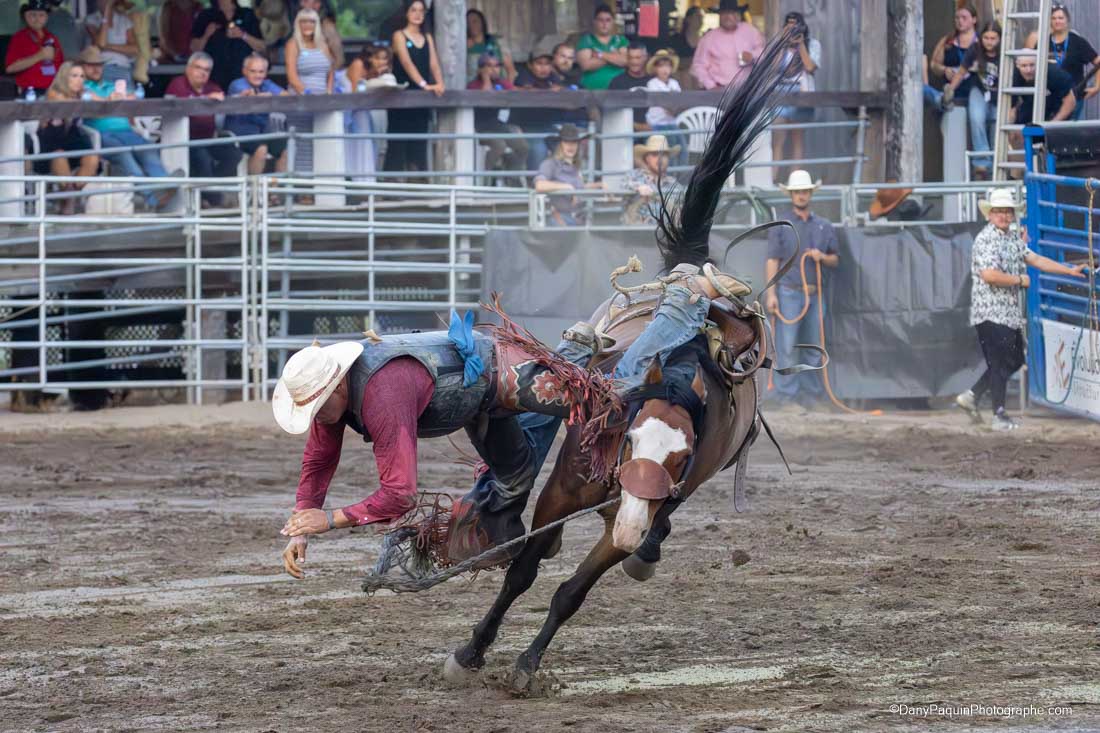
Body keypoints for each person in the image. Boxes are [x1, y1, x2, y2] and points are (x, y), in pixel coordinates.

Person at [275, 278, 742, 579]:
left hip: (502, 378)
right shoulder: (338, 401)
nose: (317, 420)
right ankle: (574, 350)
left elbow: (398, 492)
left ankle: (684, 299)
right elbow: (319, 460)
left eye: (317, 407)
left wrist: (330, 519)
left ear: (336, 386)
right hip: (476, 405)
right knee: (511, 476)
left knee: (613, 392)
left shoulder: (382, 394)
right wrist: (302, 522)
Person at [956, 188, 1087, 431]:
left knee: (1014, 359)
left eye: (1008, 212)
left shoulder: (1011, 239)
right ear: (990, 214)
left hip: (1006, 314)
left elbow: (1035, 259)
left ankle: (973, 396)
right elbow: (989, 275)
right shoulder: (986, 240)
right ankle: (998, 413)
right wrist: (1019, 280)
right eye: (1000, 211)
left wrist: (1068, 270)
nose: (1004, 216)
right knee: (1001, 361)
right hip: (990, 312)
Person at [764, 169, 839, 407]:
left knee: (813, 347)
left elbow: (835, 259)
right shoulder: (781, 226)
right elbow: (772, 260)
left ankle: (811, 395)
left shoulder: (824, 226)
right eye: (797, 192)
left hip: (815, 295)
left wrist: (821, 257)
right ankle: (787, 396)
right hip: (788, 292)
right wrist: (771, 294)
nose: (801, 195)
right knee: (786, 347)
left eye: (804, 191)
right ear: (791, 195)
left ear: (810, 194)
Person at [81, 46, 177, 211]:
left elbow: (133, 96)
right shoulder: (82, 86)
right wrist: (110, 99)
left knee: (147, 147)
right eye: (91, 65)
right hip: (101, 134)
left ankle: (164, 184)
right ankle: (152, 197)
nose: (96, 68)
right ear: (82, 66)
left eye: (99, 65)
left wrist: (121, 96)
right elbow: (90, 98)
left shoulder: (111, 85)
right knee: (124, 153)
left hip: (126, 131)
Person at [166, 52, 243, 204]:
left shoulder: (212, 87)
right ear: (188, 69)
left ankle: (207, 191)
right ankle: (214, 199)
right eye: (198, 68)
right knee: (202, 157)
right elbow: (178, 107)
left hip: (209, 138)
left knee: (234, 154)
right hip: (183, 140)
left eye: (207, 70)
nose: (202, 73)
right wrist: (206, 100)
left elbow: (224, 107)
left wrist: (237, 98)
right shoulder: (178, 83)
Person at [384, 0, 445, 175]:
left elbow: (434, 63)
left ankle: (418, 181)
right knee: (398, 141)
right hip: (402, 96)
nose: (417, 14)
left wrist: (439, 83)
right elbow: (406, 63)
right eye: (413, 10)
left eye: (421, 11)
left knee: (419, 139)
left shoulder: (428, 38)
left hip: (421, 99)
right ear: (406, 13)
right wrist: (424, 85)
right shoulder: (399, 35)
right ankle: (391, 183)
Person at [39, 62, 100, 215]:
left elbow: (103, 101)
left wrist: (114, 96)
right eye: (74, 76)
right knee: (60, 156)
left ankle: (68, 196)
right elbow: (63, 103)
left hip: (74, 140)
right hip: (52, 140)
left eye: (82, 76)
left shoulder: (84, 93)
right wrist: (86, 99)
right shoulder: (54, 92)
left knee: (93, 158)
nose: (79, 80)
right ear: (64, 78)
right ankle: (69, 200)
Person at [944, 21, 1001, 179]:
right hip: (979, 89)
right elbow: (961, 72)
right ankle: (982, 161)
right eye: (986, 38)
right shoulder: (975, 49)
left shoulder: (1004, 52)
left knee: (997, 123)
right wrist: (950, 89)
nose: (989, 42)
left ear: (1000, 39)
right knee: (976, 117)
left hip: (1000, 92)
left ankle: (997, 160)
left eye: (993, 38)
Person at [285, 8, 334, 175]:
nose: (308, 25)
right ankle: (301, 188)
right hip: (301, 100)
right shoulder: (293, 44)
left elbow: (330, 71)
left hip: (322, 102)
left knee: (320, 142)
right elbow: (292, 76)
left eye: (311, 21)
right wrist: (307, 94)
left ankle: (319, 185)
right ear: (298, 24)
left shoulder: (323, 45)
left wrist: (328, 91)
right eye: (304, 21)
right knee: (302, 143)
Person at [772, 12, 821, 181]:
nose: (792, 28)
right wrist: (783, 44)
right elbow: (774, 67)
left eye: (796, 25)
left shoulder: (813, 44)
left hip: (801, 93)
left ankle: (795, 181)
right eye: (789, 25)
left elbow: (810, 67)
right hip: (781, 94)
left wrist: (800, 45)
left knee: (797, 139)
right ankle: (773, 179)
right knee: (777, 138)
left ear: (803, 27)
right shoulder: (780, 45)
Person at [466, 53, 527, 185]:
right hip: (479, 127)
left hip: (497, 124)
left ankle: (512, 177)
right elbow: (484, 96)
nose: (494, 69)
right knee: (499, 145)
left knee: (522, 146)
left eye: (497, 66)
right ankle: (487, 179)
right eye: (489, 66)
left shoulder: (501, 82)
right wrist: (486, 78)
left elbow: (513, 93)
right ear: (481, 69)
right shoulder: (473, 85)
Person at [226, 53, 289, 175]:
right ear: (244, 71)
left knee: (285, 149)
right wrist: (267, 96)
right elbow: (249, 96)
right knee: (261, 149)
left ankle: (274, 191)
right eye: (253, 71)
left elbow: (286, 96)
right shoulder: (237, 83)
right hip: (239, 133)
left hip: (261, 132)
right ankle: (255, 190)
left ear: (265, 73)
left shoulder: (267, 84)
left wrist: (272, 95)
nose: (257, 75)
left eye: (261, 72)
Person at [344, 44, 397, 180]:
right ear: (369, 58)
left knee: (368, 138)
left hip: (364, 109)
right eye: (377, 58)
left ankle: (366, 175)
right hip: (349, 107)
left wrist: (381, 76)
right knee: (355, 138)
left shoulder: (380, 72)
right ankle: (353, 175)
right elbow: (357, 92)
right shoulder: (358, 64)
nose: (381, 62)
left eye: (385, 59)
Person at [534, 123, 604, 226]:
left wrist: (598, 185)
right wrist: (566, 187)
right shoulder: (550, 164)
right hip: (560, 220)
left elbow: (578, 187)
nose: (571, 146)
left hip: (580, 219)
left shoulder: (575, 167)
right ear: (560, 144)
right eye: (566, 142)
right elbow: (539, 185)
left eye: (574, 142)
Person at [190, 0, 265, 91]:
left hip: (242, 80)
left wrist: (243, 35)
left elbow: (261, 47)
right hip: (213, 79)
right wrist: (206, 35)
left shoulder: (247, 14)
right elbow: (194, 49)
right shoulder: (206, 15)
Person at [691, 0, 764, 90]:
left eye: (732, 13)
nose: (728, 17)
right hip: (719, 90)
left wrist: (753, 55)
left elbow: (765, 53)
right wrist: (711, 85)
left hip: (748, 90)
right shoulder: (709, 38)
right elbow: (698, 66)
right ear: (719, 15)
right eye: (724, 13)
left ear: (738, 15)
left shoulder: (751, 32)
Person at [1046, 4, 1099, 120]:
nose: (1057, 21)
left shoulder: (1077, 41)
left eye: (1060, 18)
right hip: (1050, 99)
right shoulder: (1044, 42)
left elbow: (1098, 62)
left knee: (1072, 135)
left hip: (1074, 97)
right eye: (1053, 18)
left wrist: (1097, 87)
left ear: (1067, 20)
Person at [6, 0, 64, 97]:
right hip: (31, 92)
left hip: (54, 91)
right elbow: (10, 68)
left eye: (41, 15)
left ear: (46, 18)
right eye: (33, 15)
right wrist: (39, 56)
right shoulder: (19, 38)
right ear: (26, 17)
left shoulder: (52, 38)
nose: (37, 19)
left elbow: (62, 68)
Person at [622, 134, 678, 225]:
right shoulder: (633, 176)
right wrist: (638, 187)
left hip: (665, 235)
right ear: (647, 158)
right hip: (635, 235)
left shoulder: (674, 184)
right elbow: (622, 187)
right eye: (655, 154)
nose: (660, 158)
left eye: (663, 155)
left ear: (668, 159)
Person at [643, 50, 686, 169]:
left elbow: (679, 101)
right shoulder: (652, 83)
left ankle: (680, 178)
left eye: (667, 65)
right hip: (657, 124)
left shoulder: (674, 83)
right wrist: (672, 106)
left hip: (672, 122)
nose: (664, 69)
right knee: (663, 153)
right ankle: (667, 177)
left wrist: (674, 108)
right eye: (661, 66)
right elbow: (662, 101)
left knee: (682, 151)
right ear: (655, 68)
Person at [84, 0, 138, 86]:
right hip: (102, 68)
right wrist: (106, 14)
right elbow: (100, 43)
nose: (104, 2)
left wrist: (107, 46)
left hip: (123, 67)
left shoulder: (124, 20)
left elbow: (134, 49)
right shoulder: (91, 19)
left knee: (128, 96)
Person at [1011, 54, 1076, 125]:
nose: (1028, 70)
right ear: (1017, 66)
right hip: (1031, 106)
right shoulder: (1013, 76)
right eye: (1024, 66)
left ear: (1038, 64)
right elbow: (1011, 108)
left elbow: (1070, 102)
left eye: (1032, 65)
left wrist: (1052, 125)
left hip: (1057, 108)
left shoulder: (1054, 74)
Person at [576, 4, 629, 90]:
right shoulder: (586, 40)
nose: (604, 24)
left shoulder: (620, 40)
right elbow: (586, 65)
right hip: (591, 91)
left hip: (618, 91)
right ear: (595, 22)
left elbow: (625, 61)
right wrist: (614, 56)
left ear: (613, 22)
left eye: (608, 20)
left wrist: (601, 54)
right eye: (601, 20)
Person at [930, 4, 978, 91]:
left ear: (974, 19)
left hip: (975, 91)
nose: (960, 21)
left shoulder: (982, 41)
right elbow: (934, 64)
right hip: (951, 90)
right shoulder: (948, 40)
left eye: (964, 18)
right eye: (957, 18)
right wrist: (945, 70)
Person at [607, 41, 651, 132]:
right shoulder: (617, 82)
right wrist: (636, 126)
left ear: (645, 58)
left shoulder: (654, 81)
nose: (634, 62)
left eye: (638, 58)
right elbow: (611, 112)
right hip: (625, 130)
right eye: (630, 58)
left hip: (653, 129)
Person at [288, 0, 343, 69]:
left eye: (316, 2)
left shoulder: (328, 28)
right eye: (306, 1)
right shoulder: (293, 25)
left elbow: (339, 60)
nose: (310, 6)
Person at [466, 8, 515, 83]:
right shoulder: (463, 45)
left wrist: (507, 90)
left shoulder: (496, 42)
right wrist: (464, 49)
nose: (471, 25)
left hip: (498, 89)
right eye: (468, 23)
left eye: (475, 21)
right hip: (472, 89)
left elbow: (511, 71)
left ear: (482, 22)